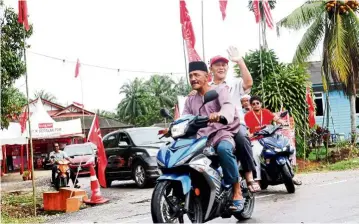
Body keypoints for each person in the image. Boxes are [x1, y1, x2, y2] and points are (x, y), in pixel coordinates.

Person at [189, 46, 259, 192]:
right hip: (212, 128)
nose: (221, 67)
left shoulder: (233, 83)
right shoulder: (206, 88)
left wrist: (240, 61)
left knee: (241, 137)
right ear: (211, 69)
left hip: (235, 122)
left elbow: (248, 83)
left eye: (224, 65)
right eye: (217, 65)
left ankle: (249, 175)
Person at [182, 60, 244, 212]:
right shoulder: (190, 99)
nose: (193, 78)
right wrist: (172, 128)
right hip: (201, 139)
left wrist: (220, 115)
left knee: (224, 149)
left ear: (207, 76)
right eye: (190, 76)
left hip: (221, 133)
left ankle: (237, 191)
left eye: (196, 74)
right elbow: (184, 118)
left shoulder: (219, 90)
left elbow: (228, 106)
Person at [244, 96, 302, 185]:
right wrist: (249, 135)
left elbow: (276, 119)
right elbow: (247, 129)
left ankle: (292, 174)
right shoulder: (248, 116)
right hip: (256, 139)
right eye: (253, 104)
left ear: (261, 104)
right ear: (251, 106)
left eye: (257, 103)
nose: (256, 105)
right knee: (255, 154)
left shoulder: (266, 112)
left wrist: (283, 123)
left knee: (288, 147)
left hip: (270, 137)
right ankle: (258, 180)